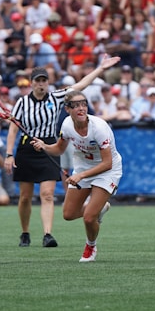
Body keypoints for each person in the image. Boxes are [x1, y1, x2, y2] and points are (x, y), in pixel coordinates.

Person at [4, 55, 120, 248]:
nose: (41, 84)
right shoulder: (22, 103)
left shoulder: (56, 97)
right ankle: (25, 232)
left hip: (49, 145)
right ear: (31, 83)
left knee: (47, 194)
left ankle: (47, 234)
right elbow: (13, 128)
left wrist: (100, 69)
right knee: (25, 196)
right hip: (27, 147)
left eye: (44, 81)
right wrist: (9, 154)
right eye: (38, 81)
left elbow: (81, 85)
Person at [31, 90, 121, 262]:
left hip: (108, 170)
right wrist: (44, 146)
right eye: (75, 105)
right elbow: (59, 149)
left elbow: (107, 163)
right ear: (67, 109)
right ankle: (100, 208)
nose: (81, 108)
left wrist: (81, 176)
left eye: (84, 104)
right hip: (83, 167)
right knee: (68, 214)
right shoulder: (66, 125)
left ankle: (90, 247)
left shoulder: (99, 128)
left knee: (88, 218)